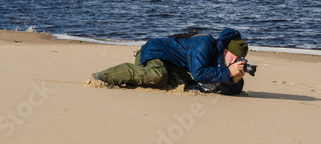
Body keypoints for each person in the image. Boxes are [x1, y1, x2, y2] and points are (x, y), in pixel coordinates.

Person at [93, 28, 249, 95]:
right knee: (158, 76)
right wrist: (227, 72)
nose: (235, 63)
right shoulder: (205, 43)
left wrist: (234, 80)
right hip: (156, 53)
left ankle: (135, 79)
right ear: (226, 51)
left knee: (176, 82)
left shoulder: (221, 63)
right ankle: (103, 76)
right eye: (235, 59)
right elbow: (199, 73)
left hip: (173, 67)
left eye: (239, 60)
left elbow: (230, 91)